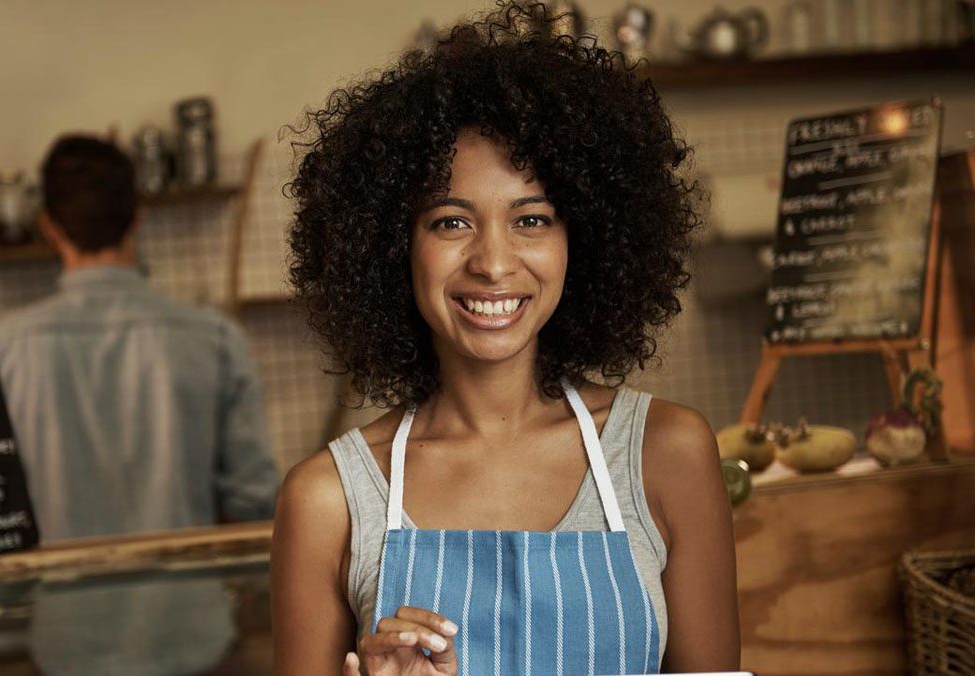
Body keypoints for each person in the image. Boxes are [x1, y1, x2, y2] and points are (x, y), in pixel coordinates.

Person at [271, 3, 740, 675]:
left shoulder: (666, 456)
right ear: (391, 248)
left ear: (585, 237)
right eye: (450, 223)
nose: (493, 262)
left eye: (532, 219)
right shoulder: (329, 499)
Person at [0, 135, 278, 675]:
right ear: (138, 218)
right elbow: (256, 500)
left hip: (67, 643)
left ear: (49, 225)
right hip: (194, 638)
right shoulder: (212, 337)